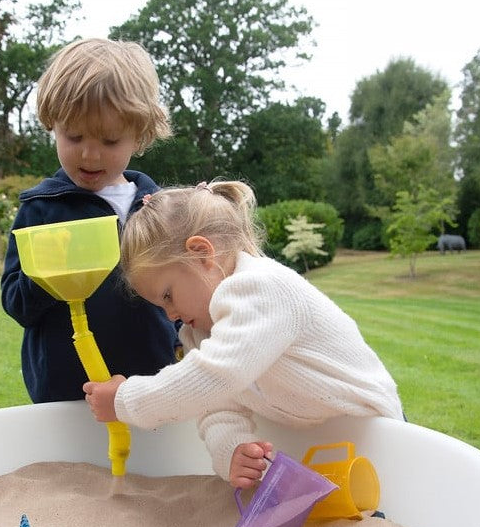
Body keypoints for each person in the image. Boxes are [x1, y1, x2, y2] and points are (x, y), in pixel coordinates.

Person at [82, 180, 405, 488]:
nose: (170, 315)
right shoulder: (201, 333)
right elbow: (218, 407)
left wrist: (126, 400)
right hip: (323, 438)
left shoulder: (260, 289)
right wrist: (232, 450)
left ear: (201, 254)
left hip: (376, 432)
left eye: (168, 295)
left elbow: (213, 378)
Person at [1, 38, 179, 403]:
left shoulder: (160, 208)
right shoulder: (41, 209)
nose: (90, 153)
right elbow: (16, 303)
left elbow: (184, 291)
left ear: (140, 136)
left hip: (150, 386)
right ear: (53, 125)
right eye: (74, 135)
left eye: (110, 140)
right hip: (67, 394)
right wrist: (45, 273)